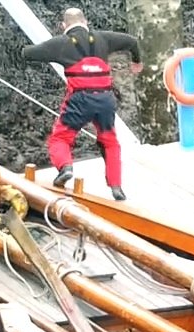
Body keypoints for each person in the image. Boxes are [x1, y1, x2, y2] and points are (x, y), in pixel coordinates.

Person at [22, 7, 142, 201]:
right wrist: (136, 62)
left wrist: (39, 53)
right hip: (105, 99)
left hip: (80, 99)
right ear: (85, 22)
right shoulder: (103, 38)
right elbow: (131, 41)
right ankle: (116, 187)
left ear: (64, 26)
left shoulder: (61, 44)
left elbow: (28, 53)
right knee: (110, 142)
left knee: (60, 138)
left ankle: (65, 167)